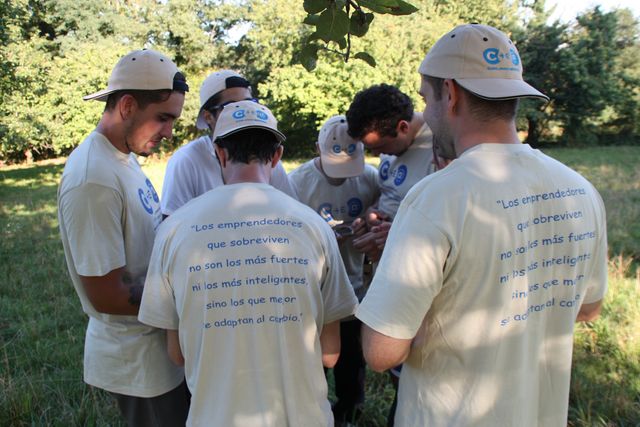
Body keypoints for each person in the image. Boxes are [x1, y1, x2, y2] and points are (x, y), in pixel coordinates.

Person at [356, 24, 608, 427]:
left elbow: (382, 351)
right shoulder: (581, 190)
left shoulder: (434, 198)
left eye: (426, 98)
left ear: (450, 94)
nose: (426, 113)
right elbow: (589, 308)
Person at [138, 101, 358, 426]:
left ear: (220, 153)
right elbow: (330, 354)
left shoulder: (173, 230)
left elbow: (178, 354)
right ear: (278, 155)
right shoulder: (313, 227)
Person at [57, 49, 190, 426]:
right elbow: (107, 293)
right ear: (128, 105)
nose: (169, 132)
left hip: (158, 348)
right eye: (163, 118)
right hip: (138, 364)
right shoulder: (93, 178)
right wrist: (191, 293)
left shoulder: (122, 156)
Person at [288, 115, 380, 425]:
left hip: (355, 286)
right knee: (315, 358)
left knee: (352, 357)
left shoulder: (370, 178)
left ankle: (350, 409)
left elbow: (384, 210)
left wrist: (370, 218)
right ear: (317, 149)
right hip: (311, 291)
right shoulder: (296, 183)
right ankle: (312, 408)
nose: (342, 178)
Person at [161, 70, 296, 217]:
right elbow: (172, 223)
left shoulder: (265, 157)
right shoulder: (186, 160)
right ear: (208, 117)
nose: (243, 111)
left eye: (248, 103)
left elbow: (290, 213)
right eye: (230, 106)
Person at [345, 84, 436, 261]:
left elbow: (444, 219)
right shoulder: (391, 143)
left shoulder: (438, 148)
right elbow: (391, 190)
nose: (376, 155)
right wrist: (373, 212)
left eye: (379, 147)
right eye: (369, 148)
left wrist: (397, 236)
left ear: (403, 127)